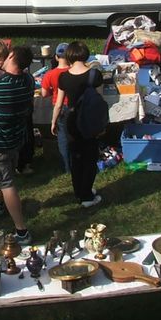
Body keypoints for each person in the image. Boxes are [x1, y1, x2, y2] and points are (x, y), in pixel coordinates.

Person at [0, 46, 34, 245]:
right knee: (6, 172)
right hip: (15, 139)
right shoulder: (28, 81)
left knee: (7, 182)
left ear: (11, 56)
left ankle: (21, 230)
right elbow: (10, 77)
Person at [52, 41, 104, 207]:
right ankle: (87, 196)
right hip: (89, 120)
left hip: (71, 120)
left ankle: (79, 192)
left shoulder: (63, 77)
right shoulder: (95, 75)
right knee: (90, 158)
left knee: (76, 157)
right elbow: (100, 101)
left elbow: (59, 104)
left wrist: (53, 121)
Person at [41, 43, 71, 173]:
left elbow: (44, 93)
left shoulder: (50, 74)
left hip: (60, 107)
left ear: (56, 57)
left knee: (63, 138)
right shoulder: (74, 71)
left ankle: (67, 166)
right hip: (75, 106)